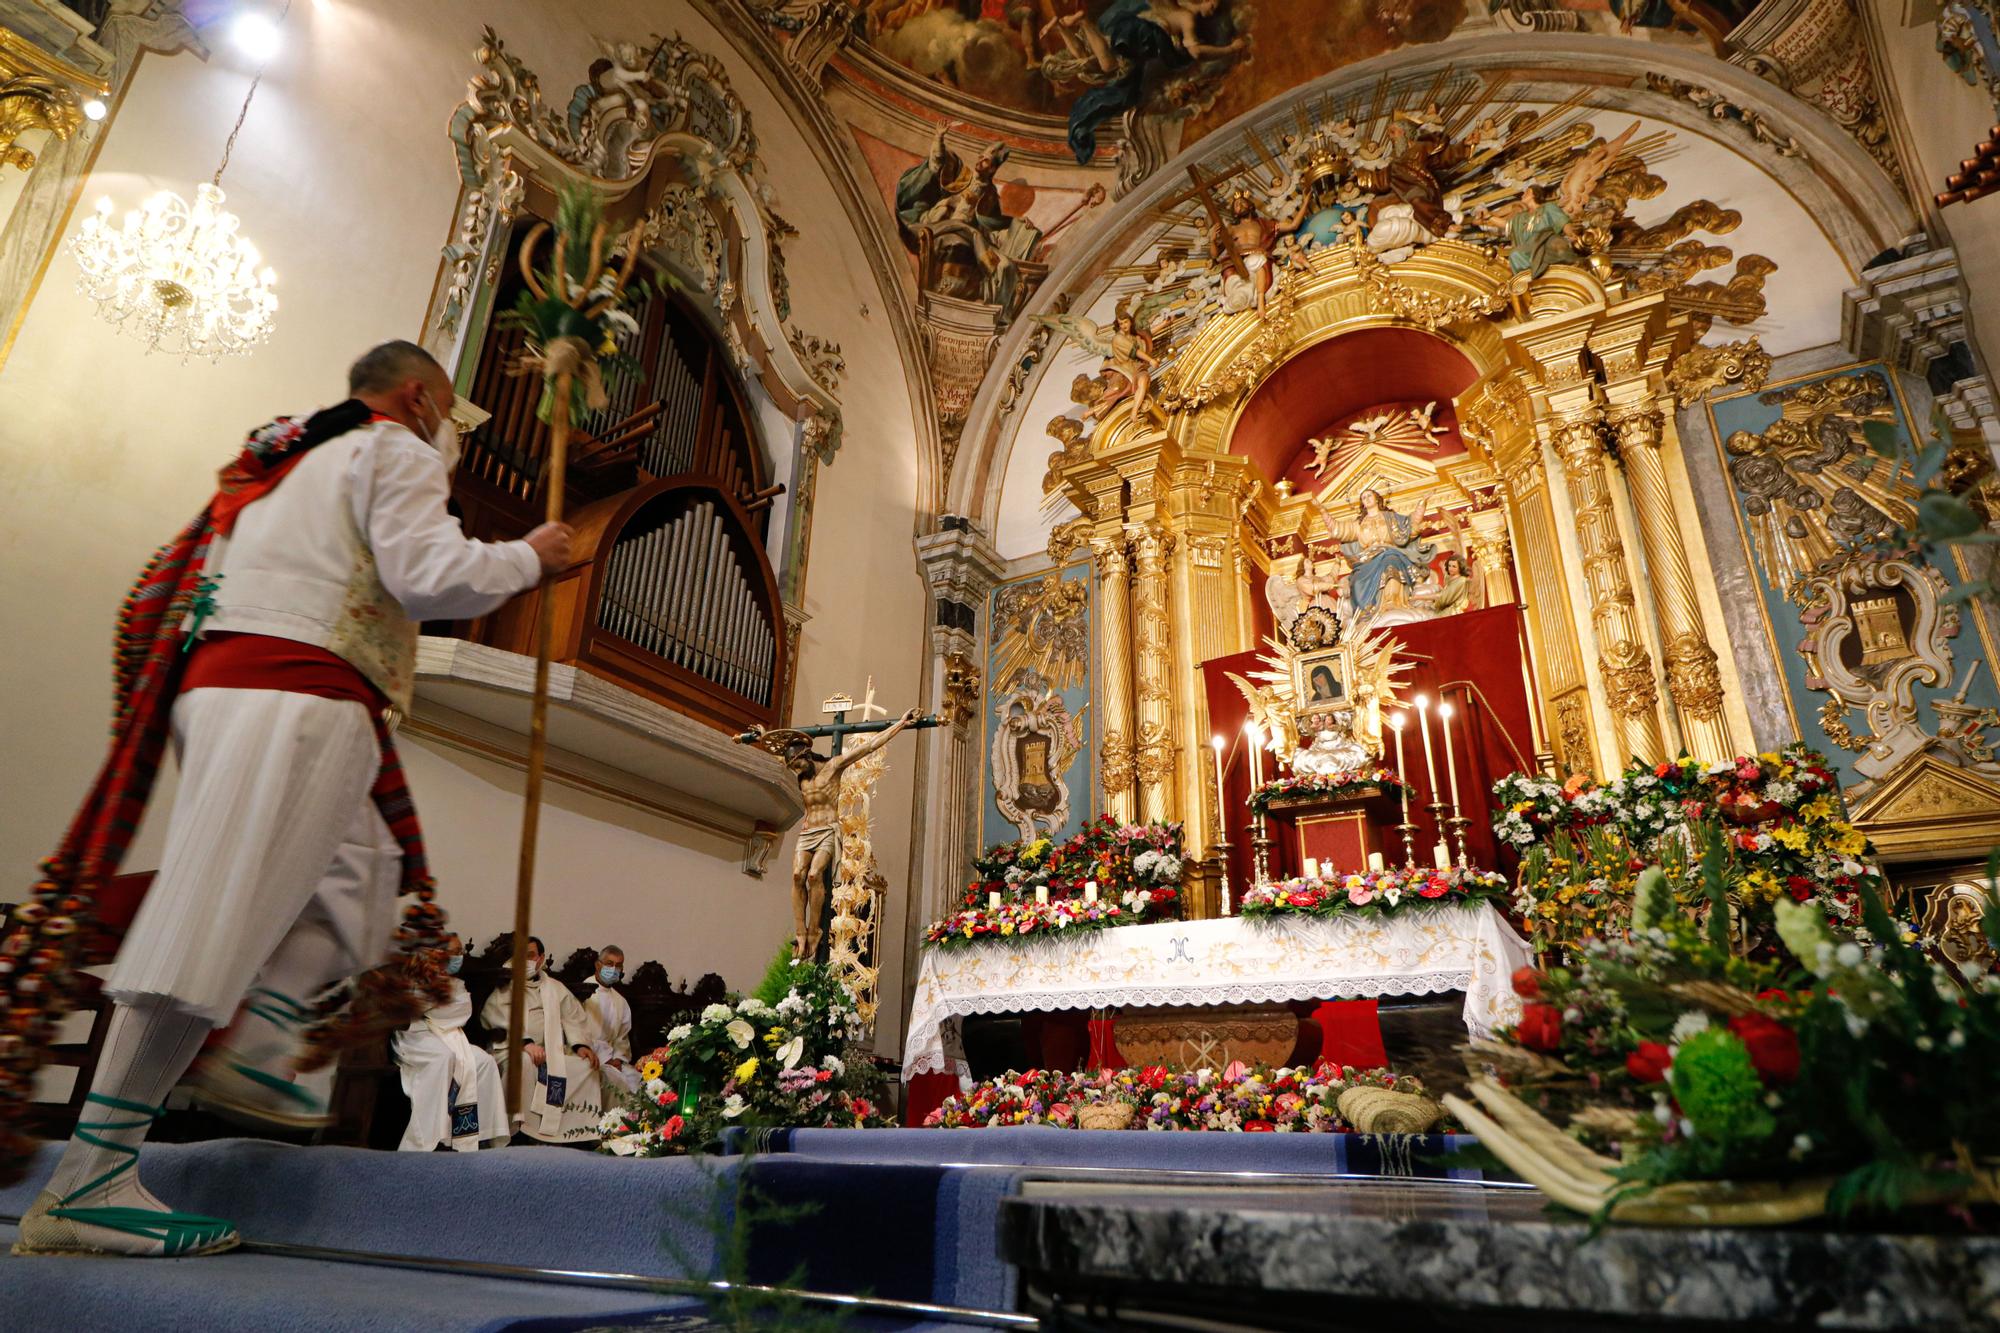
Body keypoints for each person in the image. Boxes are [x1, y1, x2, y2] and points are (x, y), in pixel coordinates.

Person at [13, 340, 568, 1257]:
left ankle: (246, 1051)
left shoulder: (282, 458)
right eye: (454, 414)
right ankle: (139, 1141)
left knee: (352, 870)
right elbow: (426, 574)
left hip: (230, 689)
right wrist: (528, 557)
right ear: (422, 396)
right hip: (300, 693)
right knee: (213, 921)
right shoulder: (394, 447)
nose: (454, 434)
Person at [482, 936, 603, 1146]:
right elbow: (495, 1016)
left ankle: (576, 1133)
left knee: (586, 1067)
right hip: (512, 1048)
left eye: (530, 956)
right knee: (524, 1062)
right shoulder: (507, 984)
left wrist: (580, 1045)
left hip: (551, 1052)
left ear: (541, 958)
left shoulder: (555, 988)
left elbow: (573, 1016)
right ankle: (518, 1132)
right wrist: (525, 1043)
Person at [393, 934, 507, 1152]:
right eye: (454, 951)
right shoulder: (414, 977)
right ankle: (425, 1140)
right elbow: (414, 1009)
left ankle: (477, 1137)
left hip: (452, 1037)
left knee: (483, 1061)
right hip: (417, 1036)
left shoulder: (456, 984)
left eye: (460, 951)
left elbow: (461, 1012)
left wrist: (434, 1007)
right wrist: (435, 1006)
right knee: (443, 1058)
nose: (459, 956)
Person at [581, 945, 639, 1099]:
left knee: (638, 1081)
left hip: (612, 1059)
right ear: (598, 964)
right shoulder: (582, 993)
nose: (613, 969)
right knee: (615, 1081)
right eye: (609, 964)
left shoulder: (621, 1001)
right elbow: (577, 1031)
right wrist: (605, 1058)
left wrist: (619, 1059)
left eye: (618, 965)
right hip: (588, 1056)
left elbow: (622, 1039)